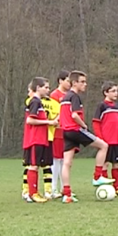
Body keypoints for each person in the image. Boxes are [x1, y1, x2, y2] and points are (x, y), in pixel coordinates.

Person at [59, 71, 114, 204]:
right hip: (75, 129)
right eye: (82, 82)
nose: (85, 84)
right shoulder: (75, 97)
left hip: (65, 132)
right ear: (74, 83)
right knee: (104, 146)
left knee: (67, 163)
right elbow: (74, 115)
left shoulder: (65, 97)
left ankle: (66, 194)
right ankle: (97, 176)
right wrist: (83, 125)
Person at [92, 81, 118, 197]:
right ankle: (103, 186)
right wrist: (100, 138)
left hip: (115, 141)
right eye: (113, 91)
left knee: (116, 164)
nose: (116, 94)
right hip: (106, 142)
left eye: (117, 91)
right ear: (105, 92)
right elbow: (96, 123)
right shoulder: (102, 106)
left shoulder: (117, 108)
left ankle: (117, 188)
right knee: (105, 164)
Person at [23, 77, 58, 203]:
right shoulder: (35, 102)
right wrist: (49, 122)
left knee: (36, 166)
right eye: (46, 87)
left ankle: (35, 192)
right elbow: (30, 120)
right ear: (38, 88)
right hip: (35, 139)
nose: (48, 90)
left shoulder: (39, 102)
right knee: (33, 166)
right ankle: (32, 193)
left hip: (40, 138)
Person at [49, 70, 71, 199]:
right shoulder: (54, 95)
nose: (69, 83)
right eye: (67, 81)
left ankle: (65, 187)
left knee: (65, 160)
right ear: (60, 81)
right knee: (56, 160)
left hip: (67, 131)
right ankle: (53, 188)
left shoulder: (70, 95)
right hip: (57, 131)